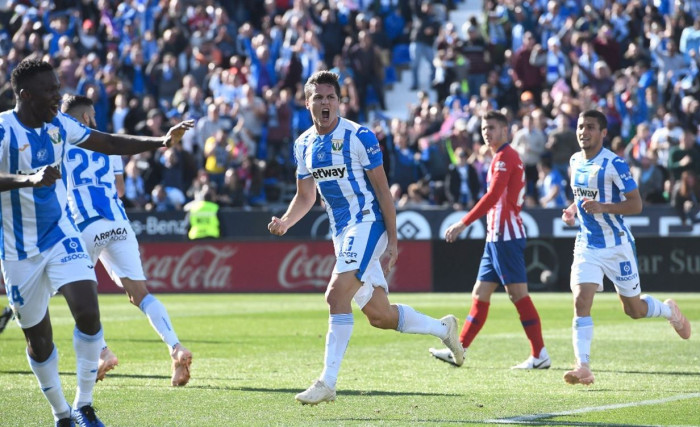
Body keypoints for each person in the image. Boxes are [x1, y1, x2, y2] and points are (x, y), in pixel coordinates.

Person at [0, 59, 192, 426]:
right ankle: (61, 414)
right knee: (39, 342)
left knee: (88, 311)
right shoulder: (4, 130)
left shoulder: (59, 124)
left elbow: (106, 141)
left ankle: (84, 406)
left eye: (58, 87)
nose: (58, 95)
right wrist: (28, 180)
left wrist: (160, 141)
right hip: (17, 251)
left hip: (62, 233)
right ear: (25, 96)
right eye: (50, 90)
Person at [268, 70, 463, 405]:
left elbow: (383, 190)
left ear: (339, 101)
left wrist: (395, 240)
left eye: (331, 97)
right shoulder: (303, 145)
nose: (325, 103)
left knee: (335, 295)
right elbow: (305, 197)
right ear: (307, 102)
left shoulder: (359, 136)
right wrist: (286, 222)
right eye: (319, 97)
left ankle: (327, 383)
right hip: (343, 234)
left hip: (369, 224)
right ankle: (444, 329)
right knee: (379, 316)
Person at [61, 94, 193, 387]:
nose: (94, 119)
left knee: (76, 295)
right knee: (140, 294)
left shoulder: (60, 143)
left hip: (83, 224)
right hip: (118, 223)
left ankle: (103, 352)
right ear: (85, 118)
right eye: (92, 115)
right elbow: (120, 189)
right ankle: (175, 347)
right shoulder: (108, 145)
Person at [561, 109, 691, 386]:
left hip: (617, 245)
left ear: (603, 133)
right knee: (580, 301)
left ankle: (669, 311)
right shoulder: (574, 161)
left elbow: (636, 203)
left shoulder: (614, 164)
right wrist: (573, 209)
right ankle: (583, 366)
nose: (584, 131)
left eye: (591, 127)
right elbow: (582, 196)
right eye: (581, 126)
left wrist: (604, 208)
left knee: (633, 310)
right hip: (586, 243)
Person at [429, 111, 550, 370]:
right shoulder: (500, 157)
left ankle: (540, 354)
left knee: (518, 295)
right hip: (495, 238)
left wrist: (463, 223)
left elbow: (494, 196)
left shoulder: (505, 157)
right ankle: (458, 350)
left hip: (506, 237)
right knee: (480, 293)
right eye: (484, 128)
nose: (487, 132)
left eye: (492, 128)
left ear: (505, 131)